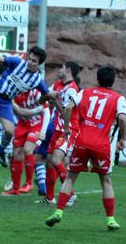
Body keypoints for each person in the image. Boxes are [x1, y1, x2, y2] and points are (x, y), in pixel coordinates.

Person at [45, 65, 126, 231]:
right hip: (101, 145)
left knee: (70, 178)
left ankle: (59, 211)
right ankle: (110, 220)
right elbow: (122, 118)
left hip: (82, 142)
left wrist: (67, 128)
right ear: (113, 81)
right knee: (106, 181)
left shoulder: (84, 92)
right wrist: (122, 138)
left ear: (97, 79)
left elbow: (68, 107)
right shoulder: (119, 98)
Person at [0, 46, 57, 161]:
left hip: (5, 101)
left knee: (9, 131)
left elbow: (46, 94)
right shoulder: (18, 62)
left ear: (39, 64)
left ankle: (1, 149)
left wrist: (55, 96)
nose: (30, 62)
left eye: (34, 61)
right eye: (30, 59)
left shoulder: (37, 80)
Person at [41, 61, 81, 205]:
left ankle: (71, 193)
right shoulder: (59, 84)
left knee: (56, 160)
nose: (59, 70)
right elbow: (45, 95)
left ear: (68, 70)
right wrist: (48, 96)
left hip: (68, 129)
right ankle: (50, 198)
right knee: (49, 163)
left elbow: (65, 111)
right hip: (57, 129)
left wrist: (53, 98)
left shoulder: (72, 89)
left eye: (62, 67)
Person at [2, 88, 51, 195]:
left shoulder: (36, 93)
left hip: (36, 124)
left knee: (27, 149)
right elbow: (6, 104)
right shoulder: (15, 92)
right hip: (22, 125)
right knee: (17, 154)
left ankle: (28, 183)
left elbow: (46, 111)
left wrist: (43, 131)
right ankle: (15, 188)